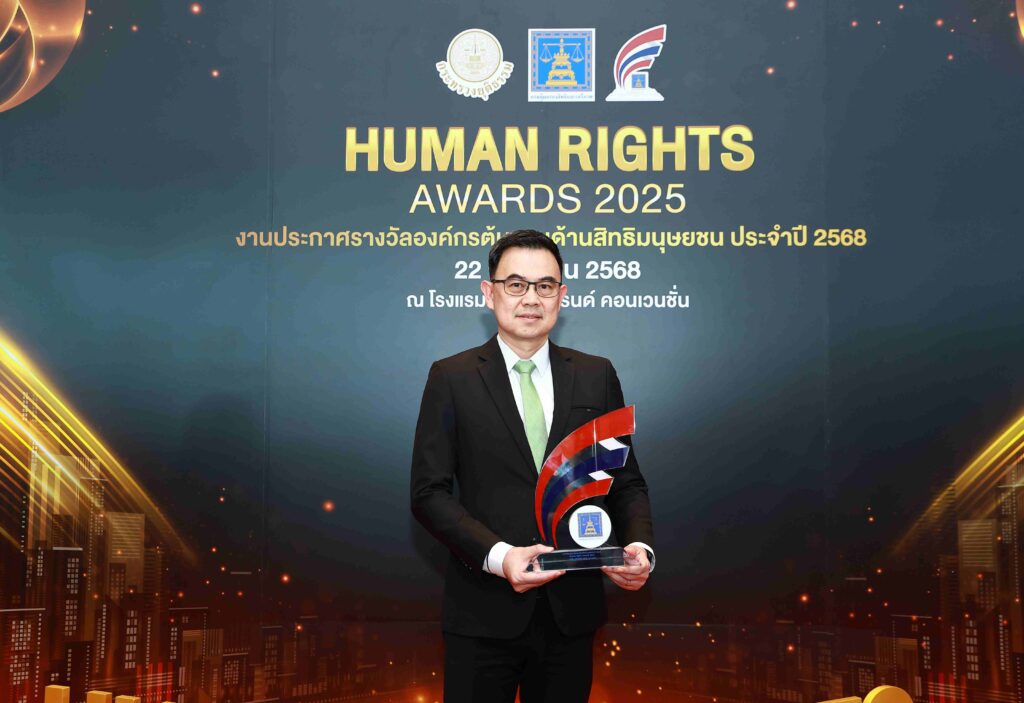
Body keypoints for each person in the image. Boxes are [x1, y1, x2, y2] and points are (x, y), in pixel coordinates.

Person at [410, 229, 655, 702]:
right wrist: (501, 556)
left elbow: (625, 480)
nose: (530, 298)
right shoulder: (451, 377)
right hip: (482, 614)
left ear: (562, 295)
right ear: (489, 293)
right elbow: (428, 494)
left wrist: (638, 545)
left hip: (571, 616)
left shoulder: (597, 374)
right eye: (516, 284)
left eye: (545, 285)